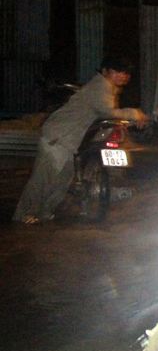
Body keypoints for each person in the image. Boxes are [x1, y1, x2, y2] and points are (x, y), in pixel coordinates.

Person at [13, 55, 149, 224]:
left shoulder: (110, 88)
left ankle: (43, 213)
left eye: (126, 73)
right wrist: (135, 113)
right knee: (44, 178)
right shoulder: (100, 86)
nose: (123, 76)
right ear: (105, 71)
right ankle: (24, 214)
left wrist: (131, 119)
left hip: (69, 140)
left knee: (61, 180)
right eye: (118, 71)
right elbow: (107, 111)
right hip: (58, 136)